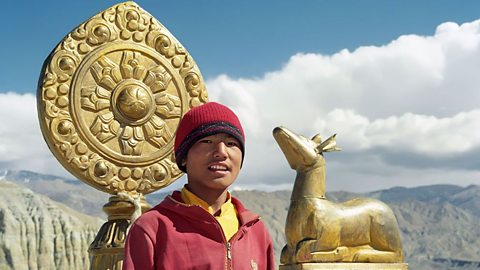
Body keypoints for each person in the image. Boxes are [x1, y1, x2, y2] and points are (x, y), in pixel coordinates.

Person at [123, 102, 275, 270]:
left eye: (231, 143)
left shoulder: (256, 231)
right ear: (183, 158)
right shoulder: (153, 228)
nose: (221, 152)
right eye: (207, 141)